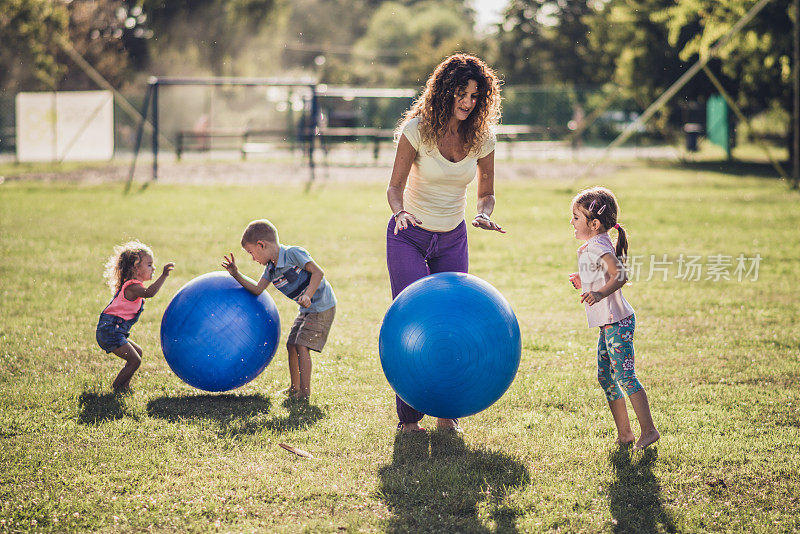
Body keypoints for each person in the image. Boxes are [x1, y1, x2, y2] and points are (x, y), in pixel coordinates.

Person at [386, 53, 504, 433]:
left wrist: (483, 212)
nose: (469, 102)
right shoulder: (416, 130)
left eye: (475, 95)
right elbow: (394, 187)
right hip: (409, 236)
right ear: (444, 91)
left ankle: (446, 410)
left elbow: (486, 191)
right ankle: (408, 419)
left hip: (453, 237)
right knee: (413, 320)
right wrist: (400, 211)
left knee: (452, 323)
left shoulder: (482, 136)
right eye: (462, 93)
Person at [569, 186, 659, 450]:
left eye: (576, 217)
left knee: (624, 375)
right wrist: (584, 282)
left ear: (594, 223)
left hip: (617, 323)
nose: (571, 222)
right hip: (608, 324)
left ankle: (649, 430)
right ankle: (625, 434)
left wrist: (598, 293)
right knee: (606, 376)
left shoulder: (598, 245)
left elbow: (619, 276)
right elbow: (602, 273)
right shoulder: (597, 243)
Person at [222, 219, 336, 400]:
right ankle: (294, 388)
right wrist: (236, 274)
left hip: (321, 305)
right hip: (306, 309)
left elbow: (318, 273)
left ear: (262, 245)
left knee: (301, 345)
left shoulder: (293, 254)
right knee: (291, 345)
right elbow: (258, 289)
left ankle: (304, 394)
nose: (253, 258)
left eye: (252, 253)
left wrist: (308, 294)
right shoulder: (270, 269)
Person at [96, 241, 174, 392]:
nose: (154, 268)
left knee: (138, 353)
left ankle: (125, 385)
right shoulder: (133, 287)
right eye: (149, 265)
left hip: (115, 330)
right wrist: (164, 275)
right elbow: (149, 293)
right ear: (136, 268)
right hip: (110, 330)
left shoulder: (133, 285)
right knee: (134, 360)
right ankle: (117, 387)